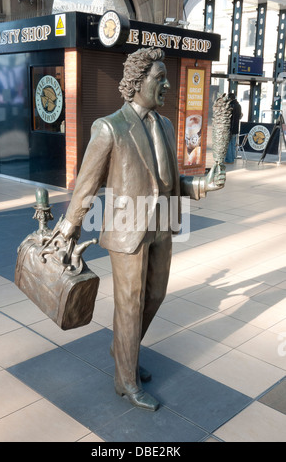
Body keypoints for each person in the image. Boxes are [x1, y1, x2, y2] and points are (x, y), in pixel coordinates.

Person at [59, 47, 226, 411]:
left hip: (162, 224)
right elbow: (86, 184)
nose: (166, 85)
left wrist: (200, 185)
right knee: (130, 306)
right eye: (159, 78)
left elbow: (168, 180)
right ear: (137, 82)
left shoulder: (165, 125)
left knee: (155, 296)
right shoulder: (109, 127)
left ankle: (124, 348)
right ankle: (126, 380)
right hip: (127, 231)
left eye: (166, 78)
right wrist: (69, 227)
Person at [225, 92, 242, 163]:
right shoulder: (238, 105)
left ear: (229, 98)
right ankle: (232, 158)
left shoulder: (230, 106)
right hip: (236, 128)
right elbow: (240, 116)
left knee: (228, 144)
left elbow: (229, 118)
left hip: (230, 128)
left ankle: (229, 159)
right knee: (233, 144)